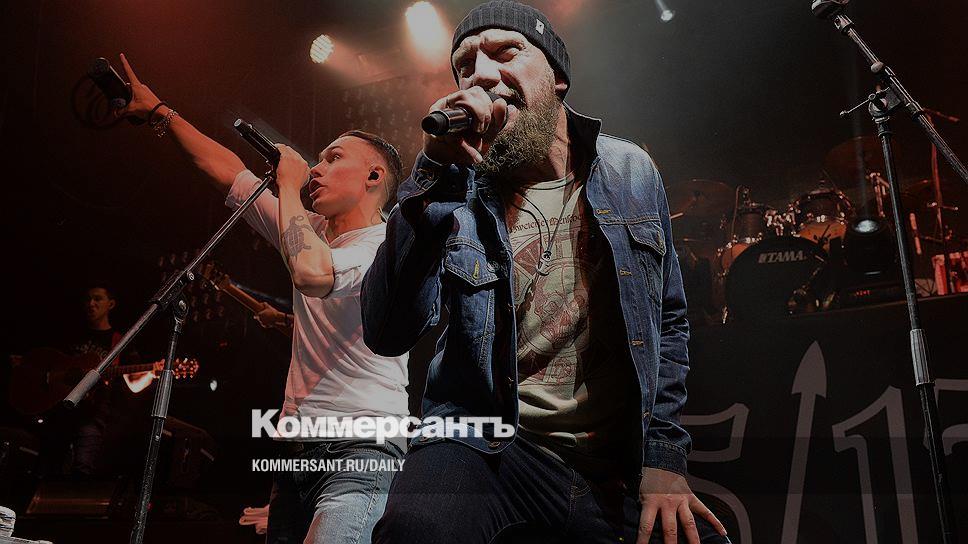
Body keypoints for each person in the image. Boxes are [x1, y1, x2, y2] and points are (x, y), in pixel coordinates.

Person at [362, 2, 728, 543]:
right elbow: (386, 331)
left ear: (557, 76)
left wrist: (663, 458)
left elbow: (668, 321)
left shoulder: (629, 171)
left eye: (505, 52)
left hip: (613, 467)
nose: (481, 76)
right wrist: (432, 177)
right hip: (483, 444)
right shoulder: (452, 189)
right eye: (465, 66)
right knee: (419, 526)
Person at [116, 55, 409, 544]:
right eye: (318, 159)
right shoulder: (310, 230)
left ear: (373, 177)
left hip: (362, 446)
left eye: (334, 158)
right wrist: (160, 111)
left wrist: (289, 185)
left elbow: (311, 272)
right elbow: (228, 172)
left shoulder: (387, 245)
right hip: (296, 445)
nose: (316, 168)